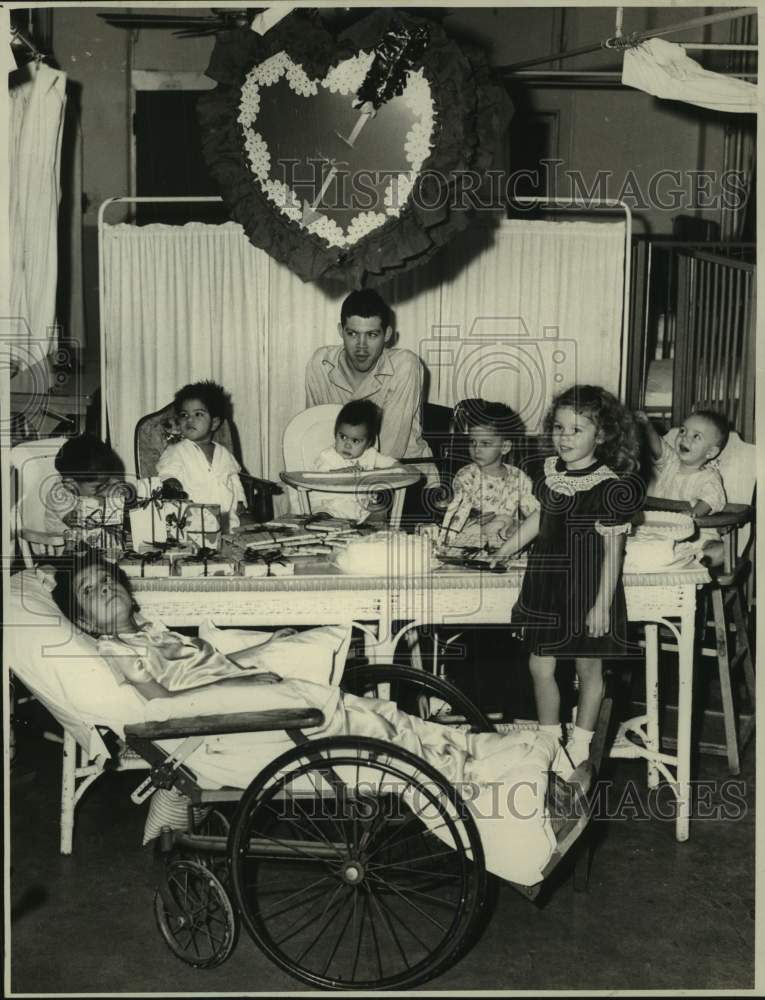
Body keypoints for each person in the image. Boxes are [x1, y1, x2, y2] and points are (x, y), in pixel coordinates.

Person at [492, 385, 644, 780]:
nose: (565, 437)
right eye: (559, 427)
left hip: (587, 588)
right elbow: (540, 520)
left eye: (576, 429)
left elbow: (614, 552)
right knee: (540, 664)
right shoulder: (550, 473)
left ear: (603, 435)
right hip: (546, 582)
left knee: (589, 668)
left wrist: (601, 605)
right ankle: (548, 742)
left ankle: (580, 744)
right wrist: (506, 549)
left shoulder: (612, 487)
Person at [50, 553, 289, 701]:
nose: (104, 587)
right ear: (85, 621)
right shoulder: (119, 649)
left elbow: (204, 665)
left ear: (129, 594)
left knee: (321, 644)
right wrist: (230, 685)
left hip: (238, 686)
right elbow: (162, 701)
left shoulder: (151, 633)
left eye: (106, 579)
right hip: (221, 709)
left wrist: (264, 646)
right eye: (88, 590)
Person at [305, 289, 432, 461]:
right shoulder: (321, 363)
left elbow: (389, 451)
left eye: (372, 335)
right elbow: (314, 433)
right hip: (338, 472)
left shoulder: (404, 365)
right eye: (353, 334)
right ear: (341, 331)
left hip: (402, 471)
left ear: (387, 334)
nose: (361, 346)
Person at [634, 408, 728, 565]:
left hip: (698, 535)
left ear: (711, 452)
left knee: (723, 550)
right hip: (662, 533)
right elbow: (658, 447)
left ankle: (697, 559)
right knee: (634, 540)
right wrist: (646, 425)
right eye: (683, 431)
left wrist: (693, 513)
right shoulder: (670, 464)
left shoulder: (708, 477)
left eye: (696, 436)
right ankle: (678, 557)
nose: (685, 438)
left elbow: (711, 499)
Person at [440, 400, 537, 550]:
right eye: (472, 442)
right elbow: (455, 516)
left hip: (504, 542)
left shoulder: (519, 478)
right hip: (470, 539)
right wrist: (475, 520)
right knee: (499, 523)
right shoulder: (466, 476)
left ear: (504, 447)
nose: (476, 449)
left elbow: (534, 514)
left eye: (485, 443)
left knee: (508, 523)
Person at [157, 380, 246, 530]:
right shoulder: (176, 451)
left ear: (214, 423)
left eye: (198, 414)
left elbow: (234, 478)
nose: (189, 419)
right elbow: (166, 473)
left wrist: (241, 500)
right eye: (184, 415)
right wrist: (171, 482)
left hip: (227, 520)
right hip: (194, 522)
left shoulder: (224, 453)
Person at [312, 400, 399, 522]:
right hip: (333, 506)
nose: (347, 445)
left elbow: (390, 462)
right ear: (335, 433)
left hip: (361, 508)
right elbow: (320, 477)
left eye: (355, 441)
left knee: (380, 508)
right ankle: (324, 524)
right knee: (323, 514)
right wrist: (342, 472)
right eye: (342, 437)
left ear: (368, 443)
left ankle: (370, 531)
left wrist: (401, 468)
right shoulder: (327, 456)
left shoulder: (370, 454)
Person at [44, 435, 126, 540]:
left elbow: (111, 485)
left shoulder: (84, 482)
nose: (104, 487)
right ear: (71, 483)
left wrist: (120, 489)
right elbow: (75, 521)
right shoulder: (58, 495)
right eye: (99, 486)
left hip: (87, 537)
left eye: (105, 482)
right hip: (61, 543)